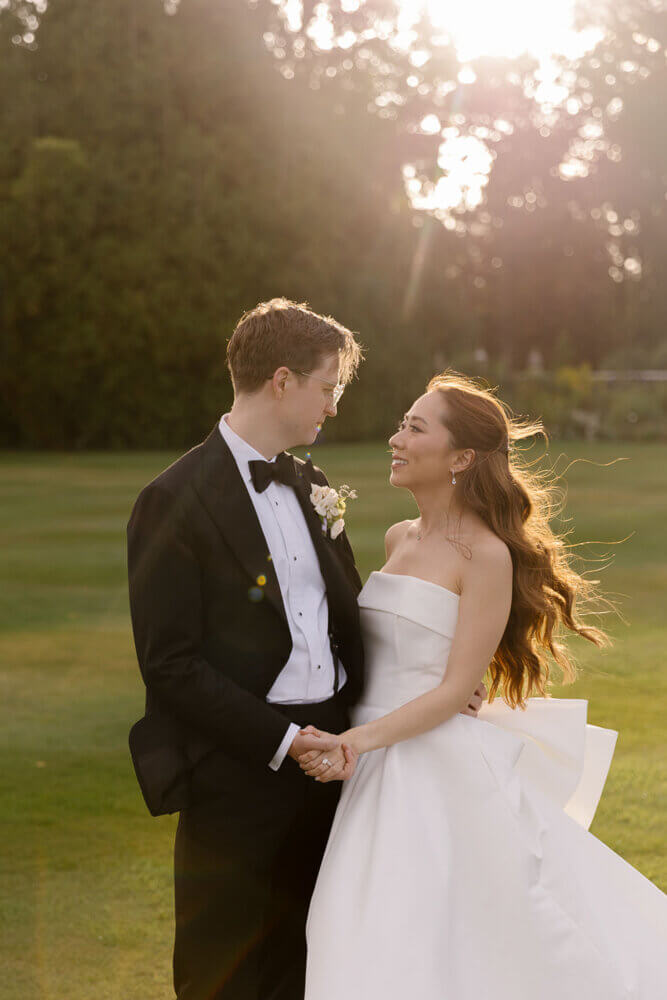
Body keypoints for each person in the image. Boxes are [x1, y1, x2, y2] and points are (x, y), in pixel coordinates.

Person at [126, 299, 488, 1000]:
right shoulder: (171, 499)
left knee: (327, 958)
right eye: (329, 387)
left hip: (341, 767)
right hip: (237, 771)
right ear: (283, 381)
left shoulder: (312, 484)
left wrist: (436, 684)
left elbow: (340, 623)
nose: (333, 406)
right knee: (222, 966)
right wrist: (285, 740)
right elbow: (169, 664)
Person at [300, 371, 667, 1000]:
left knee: (447, 935)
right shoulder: (397, 538)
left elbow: (451, 690)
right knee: (354, 925)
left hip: (425, 766)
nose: (396, 438)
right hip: (372, 758)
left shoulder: (486, 555)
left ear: (461, 457)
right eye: (401, 424)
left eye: (415, 428)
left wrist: (356, 741)